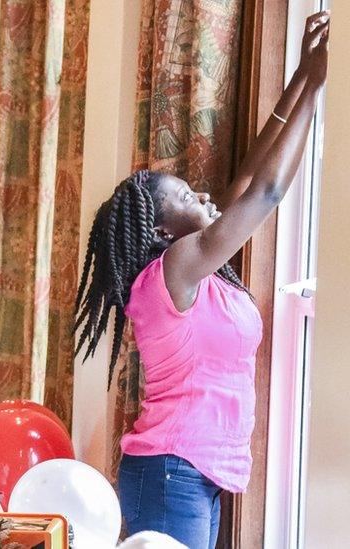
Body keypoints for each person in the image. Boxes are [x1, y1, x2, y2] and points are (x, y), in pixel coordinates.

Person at [73, 12, 328, 549]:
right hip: (172, 473)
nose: (204, 198)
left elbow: (245, 181)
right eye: (187, 197)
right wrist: (319, 89)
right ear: (162, 228)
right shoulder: (171, 271)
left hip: (190, 473)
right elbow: (266, 194)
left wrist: (302, 75)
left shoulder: (194, 269)